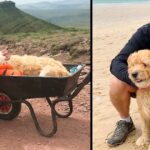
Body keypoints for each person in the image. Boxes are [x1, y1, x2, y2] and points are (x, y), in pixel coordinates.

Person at [106, 23, 150, 147]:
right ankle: (126, 121)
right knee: (116, 83)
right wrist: (134, 81)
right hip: (145, 82)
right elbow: (116, 62)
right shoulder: (145, 32)